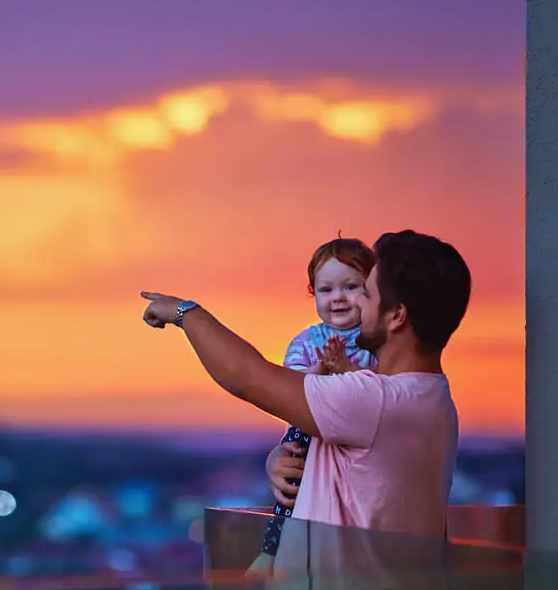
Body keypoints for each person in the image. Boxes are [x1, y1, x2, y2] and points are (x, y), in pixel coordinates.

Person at [141, 230, 470, 545]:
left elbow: (245, 376)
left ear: (396, 316)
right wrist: (282, 459)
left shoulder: (377, 401)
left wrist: (183, 312)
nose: (356, 302)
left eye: (367, 294)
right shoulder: (427, 397)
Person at [246, 237, 379, 580]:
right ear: (313, 293)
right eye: (326, 289)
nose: (338, 297)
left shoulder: (375, 342)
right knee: (292, 486)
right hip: (309, 426)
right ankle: (270, 552)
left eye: (350, 287)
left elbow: (379, 390)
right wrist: (322, 369)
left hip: (354, 437)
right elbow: (289, 387)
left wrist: (346, 368)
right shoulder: (306, 341)